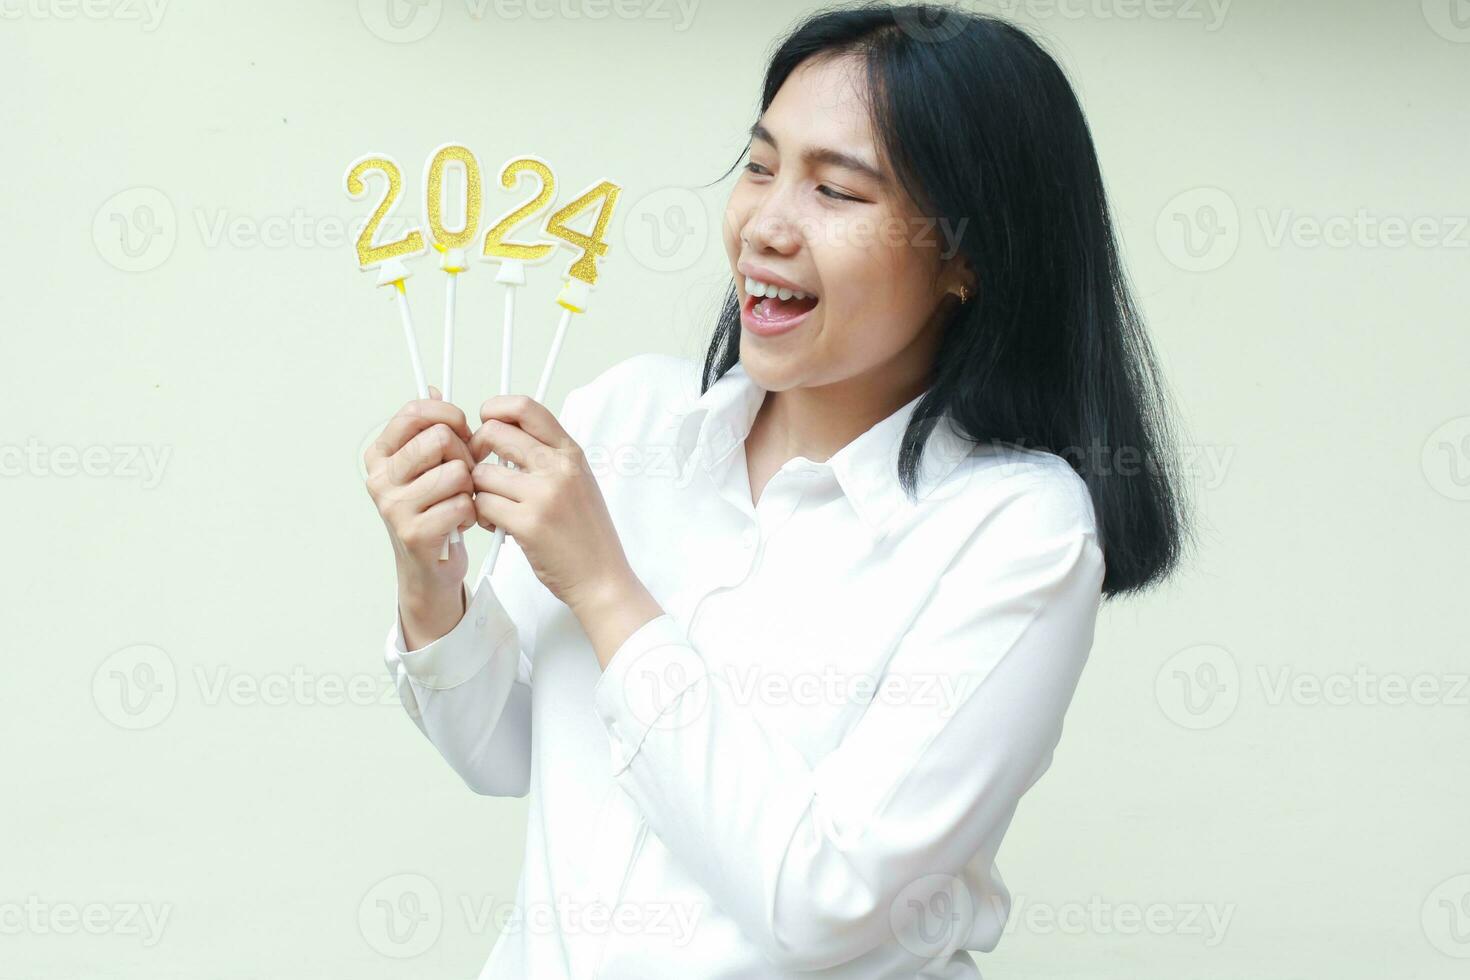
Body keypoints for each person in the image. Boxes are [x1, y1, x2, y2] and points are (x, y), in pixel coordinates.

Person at [362, 4, 1191, 976]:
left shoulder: (1015, 528)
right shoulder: (625, 418)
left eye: (837, 190)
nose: (766, 223)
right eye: (760, 166)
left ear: (966, 255)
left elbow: (823, 900)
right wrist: (432, 580)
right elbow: (499, 753)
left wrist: (605, 588)